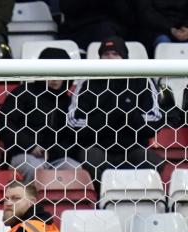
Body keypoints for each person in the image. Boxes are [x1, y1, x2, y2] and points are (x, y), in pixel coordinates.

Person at [67, 36, 164, 183]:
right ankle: (104, 195)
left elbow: (154, 121)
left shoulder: (141, 80)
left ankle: (140, 195)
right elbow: (74, 122)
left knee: (154, 162)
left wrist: (128, 114)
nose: (110, 58)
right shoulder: (87, 82)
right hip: (98, 147)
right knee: (90, 158)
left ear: (124, 57)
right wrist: (107, 117)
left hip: (133, 148)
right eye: (106, 54)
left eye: (115, 54)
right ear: (100, 58)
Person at [0, 47, 81, 182]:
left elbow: (71, 137)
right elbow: (4, 124)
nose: (55, 78)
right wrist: (30, 146)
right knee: (35, 168)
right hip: (23, 155)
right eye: (50, 72)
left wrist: (53, 152)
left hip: (55, 158)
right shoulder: (23, 93)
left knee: (75, 169)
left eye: (60, 73)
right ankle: (32, 197)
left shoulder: (68, 102)